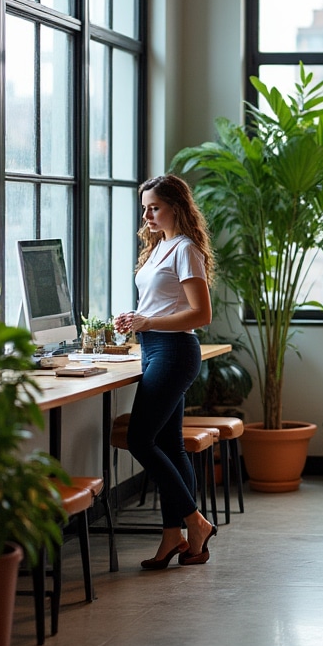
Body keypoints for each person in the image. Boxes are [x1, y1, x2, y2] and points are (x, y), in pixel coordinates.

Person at [113, 174, 218, 570]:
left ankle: (196, 522)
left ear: (176, 206)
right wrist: (137, 319)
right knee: (170, 445)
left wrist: (149, 322)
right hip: (153, 348)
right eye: (145, 208)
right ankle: (176, 537)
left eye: (154, 207)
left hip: (174, 352)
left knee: (140, 439)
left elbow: (201, 314)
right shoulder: (159, 246)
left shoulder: (186, 249)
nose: (147, 215)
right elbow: (160, 305)